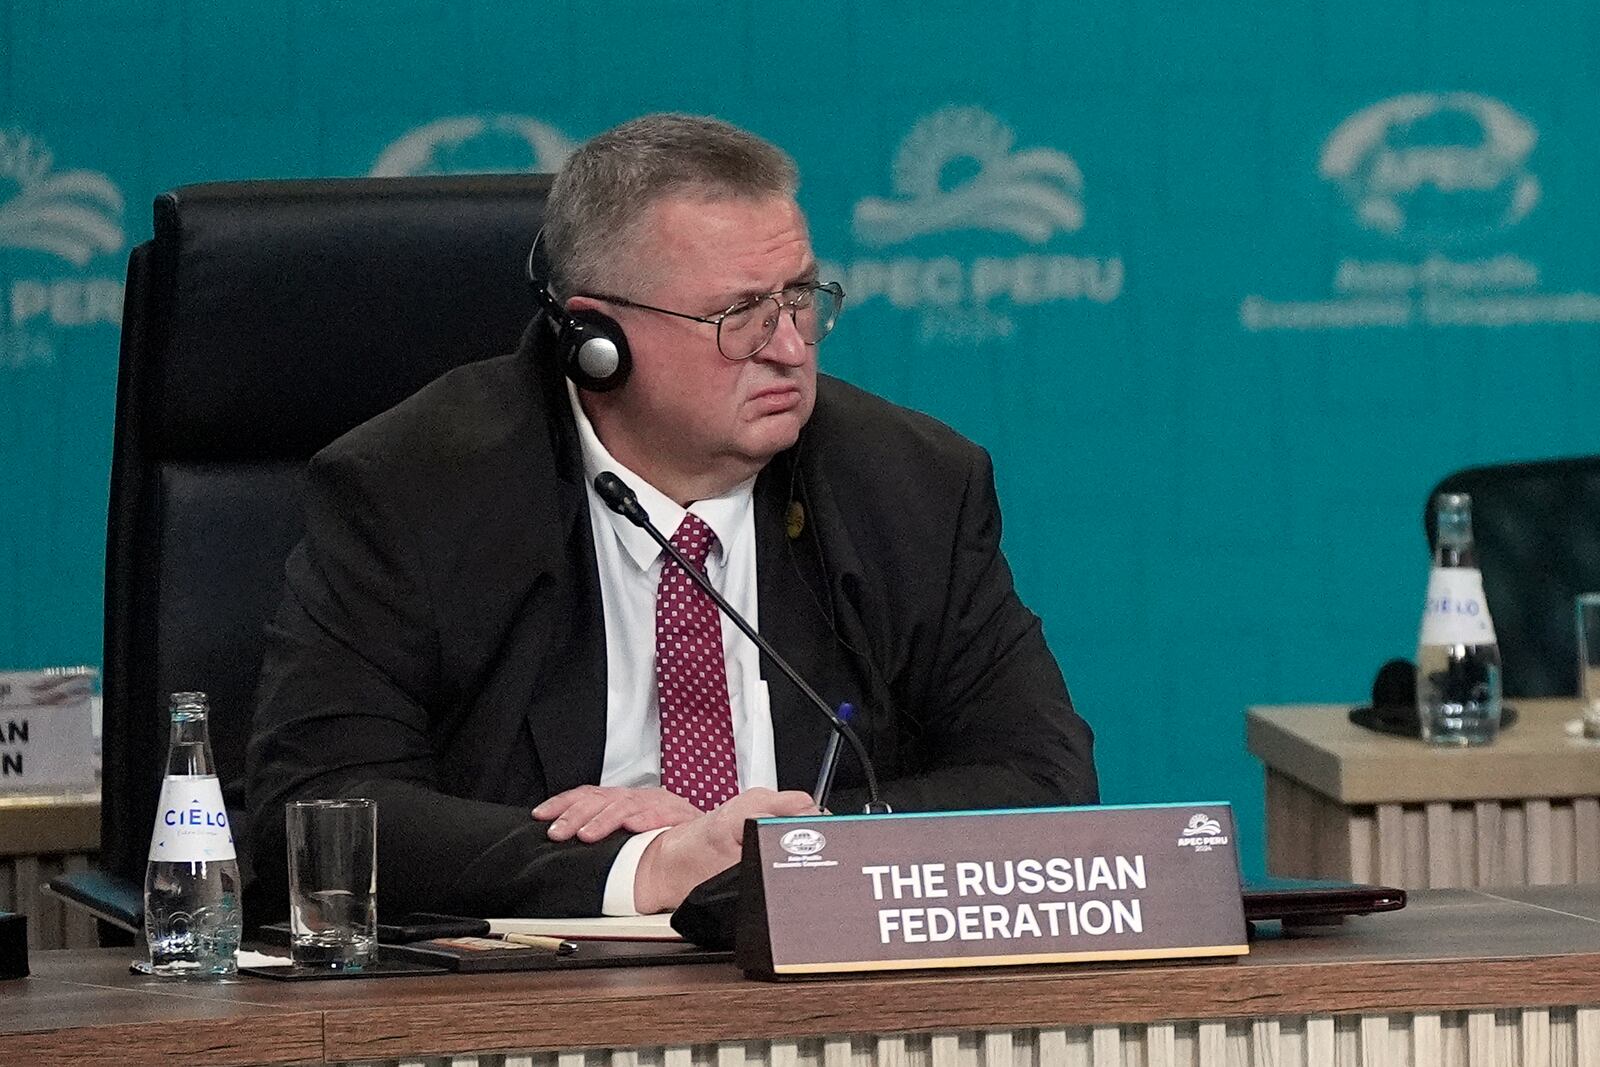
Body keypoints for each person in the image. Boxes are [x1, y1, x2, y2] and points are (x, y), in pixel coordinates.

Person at [244, 114, 1096, 923]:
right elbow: (321, 808)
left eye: (800, 296)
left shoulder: (910, 485)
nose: (791, 347)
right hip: (532, 998)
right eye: (739, 315)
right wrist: (647, 864)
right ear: (595, 339)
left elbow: (1045, 778)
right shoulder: (414, 491)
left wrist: (774, 844)